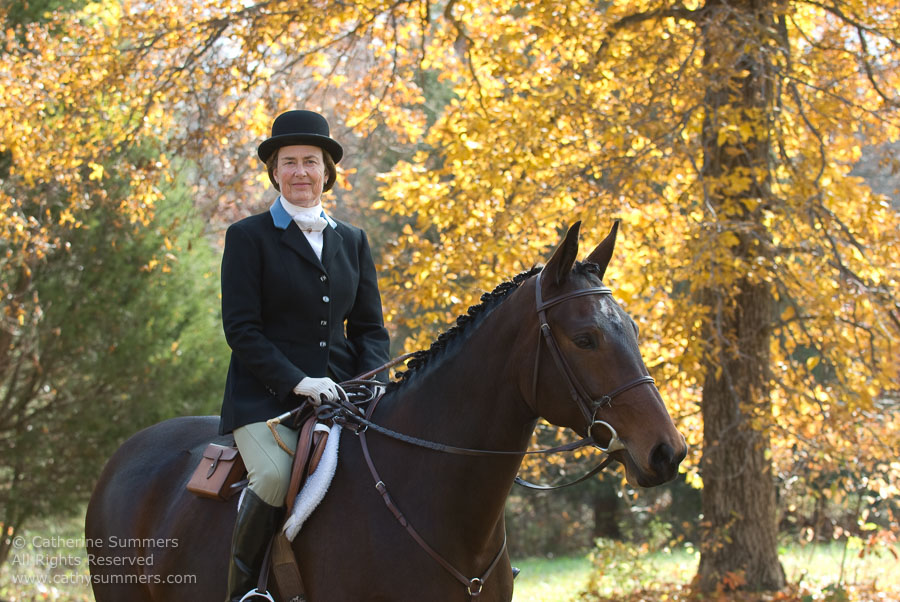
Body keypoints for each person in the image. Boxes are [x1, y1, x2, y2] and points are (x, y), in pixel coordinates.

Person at [218, 109, 391, 601]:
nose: (300, 172)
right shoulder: (247, 237)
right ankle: (245, 590)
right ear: (274, 172)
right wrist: (298, 381)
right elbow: (242, 331)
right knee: (273, 478)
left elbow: (369, 328)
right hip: (265, 398)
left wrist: (370, 379)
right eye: (288, 162)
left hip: (343, 394)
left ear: (326, 172)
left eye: (309, 162)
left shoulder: (352, 241)